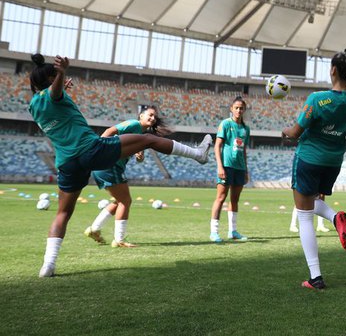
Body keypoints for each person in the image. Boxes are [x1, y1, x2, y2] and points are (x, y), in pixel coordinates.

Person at [29, 54, 212, 278]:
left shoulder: (34, 105)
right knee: (148, 139)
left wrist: (60, 84)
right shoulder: (53, 93)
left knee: (62, 214)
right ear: (51, 78)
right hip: (90, 149)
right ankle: (198, 154)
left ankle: (48, 265)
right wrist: (62, 72)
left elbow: (53, 99)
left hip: (66, 162)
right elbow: (54, 93)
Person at [282, 46, 346, 291]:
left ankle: (316, 277)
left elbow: (296, 132)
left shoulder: (316, 99)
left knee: (304, 216)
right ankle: (335, 217)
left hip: (309, 158)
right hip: (333, 162)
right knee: (311, 203)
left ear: (333, 70)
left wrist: (285, 131)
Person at [84, 105, 170, 248]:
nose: (153, 118)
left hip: (109, 165)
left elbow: (139, 159)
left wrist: (139, 154)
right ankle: (119, 240)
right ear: (140, 116)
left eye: (155, 117)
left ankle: (94, 229)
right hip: (109, 164)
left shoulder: (142, 137)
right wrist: (98, 150)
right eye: (150, 115)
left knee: (118, 201)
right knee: (125, 201)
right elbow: (109, 131)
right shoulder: (133, 124)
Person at [210, 96, 251, 243]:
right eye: (236, 107)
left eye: (241, 108)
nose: (239, 110)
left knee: (235, 200)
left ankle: (232, 231)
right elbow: (217, 146)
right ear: (231, 109)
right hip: (226, 166)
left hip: (239, 167)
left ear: (244, 110)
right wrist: (220, 166)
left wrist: (246, 170)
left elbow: (244, 149)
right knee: (221, 198)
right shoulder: (225, 124)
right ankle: (214, 232)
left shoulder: (246, 128)